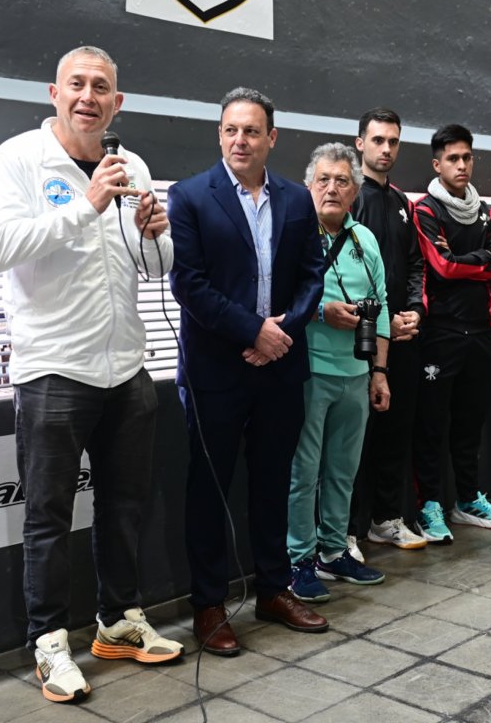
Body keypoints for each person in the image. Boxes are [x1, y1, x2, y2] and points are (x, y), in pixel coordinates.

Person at [0, 45, 181, 703]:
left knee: (125, 508)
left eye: (101, 87)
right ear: (55, 93)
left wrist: (155, 231)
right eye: (77, 84)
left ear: (116, 103)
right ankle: (49, 642)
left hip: (126, 368)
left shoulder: (132, 165)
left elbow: (157, 267)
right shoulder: (18, 159)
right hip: (54, 371)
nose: (88, 96)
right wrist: (86, 205)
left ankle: (118, 622)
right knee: (48, 520)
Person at [168, 87, 329, 655]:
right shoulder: (189, 196)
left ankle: (273, 590)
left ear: (271, 138)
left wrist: (281, 332)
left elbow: (313, 275)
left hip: (281, 365)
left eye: (252, 131)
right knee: (210, 490)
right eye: (231, 130)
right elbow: (188, 284)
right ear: (220, 134)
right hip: (217, 370)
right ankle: (209, 605)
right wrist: (252, 331)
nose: (241, 140)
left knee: (273, 482)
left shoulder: (297, 199)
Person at [287, 143, 391, 603]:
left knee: (343, 471)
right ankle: (298, 559)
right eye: (323, 180)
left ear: (355, 191)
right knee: (303, 473)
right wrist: (319, 312)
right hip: (308, 371)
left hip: (356, 372)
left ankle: (333, 550)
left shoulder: (364, 240)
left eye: (342, 181)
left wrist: (379, 372)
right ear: (309, 186)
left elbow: (381, 308)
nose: (332, 188)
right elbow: (275, 299)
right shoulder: (292, 232)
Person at [412, 124, 491, 543]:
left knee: (470, 425)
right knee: (431, 426)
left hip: (481, 334)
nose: (462, 165)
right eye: (453, 158)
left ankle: (468, 500)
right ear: (437, 164)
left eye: (467, 157)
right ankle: (429, 505)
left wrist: (467, 260)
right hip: (440, 334)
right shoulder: (425, 210)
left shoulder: (485, 211)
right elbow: (443, 267)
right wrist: (481, 259)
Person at [349, 108, 427, 553]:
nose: (386, 149)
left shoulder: (401, 202)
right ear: (360, 143)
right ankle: (345, 531)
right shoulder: (350, 197)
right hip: (360, 341)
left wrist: (413, 310)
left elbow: (415, 264)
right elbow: (344, 275)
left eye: (393, 141)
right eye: (377, 140)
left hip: (404, 339)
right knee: (352, 441)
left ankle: (386, 519)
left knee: (396, 432)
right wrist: (381, 322)